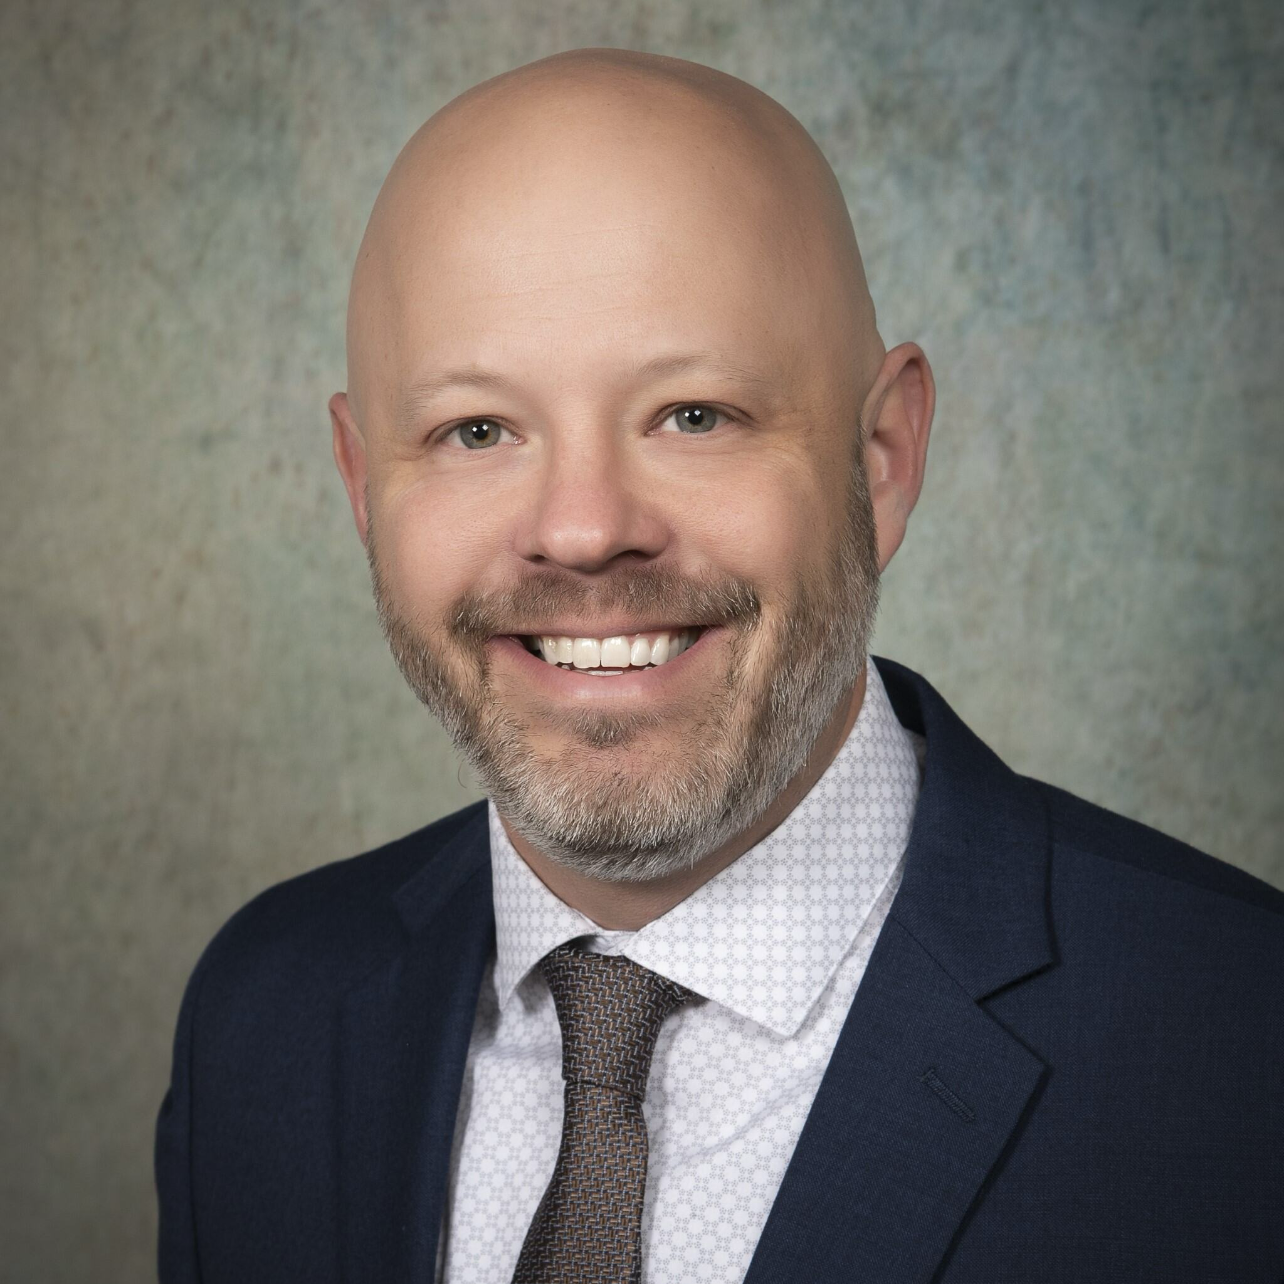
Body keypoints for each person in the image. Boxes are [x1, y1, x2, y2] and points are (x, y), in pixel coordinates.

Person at [154, 46, 1284, 1284]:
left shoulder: (1241, 1041)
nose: (584, 529)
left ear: (883, 456)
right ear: (363, 485)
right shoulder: (261, 1020)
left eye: (694, 415)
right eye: (476, 430)